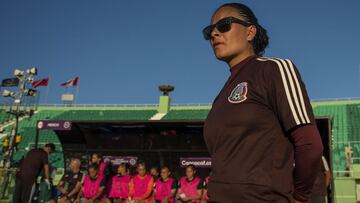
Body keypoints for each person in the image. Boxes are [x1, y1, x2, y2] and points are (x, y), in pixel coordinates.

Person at [202, 3, 324, 203]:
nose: (214, 33)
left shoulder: (274, 69)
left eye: (224, 25)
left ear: (250, 32)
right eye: (209, 31)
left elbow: (310, 145)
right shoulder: (220, 96)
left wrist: (300, 197)